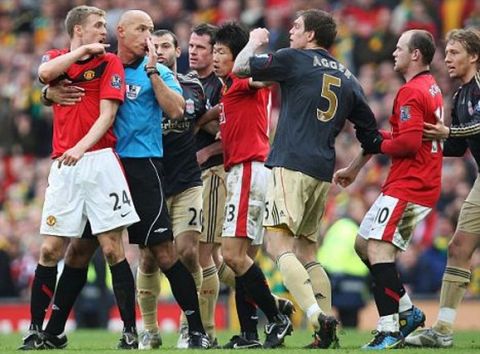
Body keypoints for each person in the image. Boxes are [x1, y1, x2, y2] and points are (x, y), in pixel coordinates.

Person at [27, 10, 210, 350]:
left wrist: (154, 72)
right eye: (143, 29)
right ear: (121, 32)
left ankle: (197, 330)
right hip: (102, 165)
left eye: (153, 30)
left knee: (163, 252)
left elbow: (175, 111)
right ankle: (52, 331)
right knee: (80, 251)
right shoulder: (103, 63)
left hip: (142, 166)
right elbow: (55, 82)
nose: (149, 37)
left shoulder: (158, 72)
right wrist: (47, 95)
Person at [233, 9, 382, 349]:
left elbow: (240, 68)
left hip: (290, 163)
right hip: (321, 171)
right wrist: (354, 168)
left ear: (311, 35)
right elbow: (373, 138)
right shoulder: (348, 77)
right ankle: (324, 332)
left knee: (277, 244)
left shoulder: (294, 59)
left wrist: (254, 42)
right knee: (307, 251)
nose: (291, 31)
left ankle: (316, 316)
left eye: (297, 26)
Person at [18, 5, 139, 350]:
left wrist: (81, 148)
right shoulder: (58, 57)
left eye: (105, 25)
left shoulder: (110, 62)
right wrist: (81, 53)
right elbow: (44, 74)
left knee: (113, 248)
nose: (105, 30)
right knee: (50, 248)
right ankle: (35, 329)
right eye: (98, 25)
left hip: (99, 160)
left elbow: (108, 114)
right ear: (79, 30)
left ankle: (129, 331)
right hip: (65, 166)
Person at [334, 29, 443, 349]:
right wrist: (356, 166)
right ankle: (407, 311)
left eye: (399, 48)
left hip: (412, 183)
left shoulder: (411, 92)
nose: (393, 53)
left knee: (379, 249)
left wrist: (377, 141)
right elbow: (404, 135)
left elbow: (407, 143)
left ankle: (389, 328)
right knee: (363, 243)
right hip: (408, 181)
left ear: (416, 55)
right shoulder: (429, 87)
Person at [213, 22, 293, 349]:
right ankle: (249, 334)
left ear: (236, 55)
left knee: (232, 256)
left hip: (249, 170)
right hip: (245, 171)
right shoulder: (229, 86)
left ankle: (276, 317)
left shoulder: (244, 79)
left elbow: (255, 71)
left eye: (221, 52)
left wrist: (254, 41)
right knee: (242, 261)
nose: (216, 58)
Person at [406, 27, 480, 348]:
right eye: (446, 52)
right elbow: (456, 145)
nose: (446, 58)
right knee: (458, 248)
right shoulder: (460, 94)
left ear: (474, 56)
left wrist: (446, 132)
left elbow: (465, 129)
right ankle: (444, 330)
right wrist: (418, 141)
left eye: (454, 53)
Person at [135, 29, 206, 350]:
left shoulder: (191, 86)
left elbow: (183, 112)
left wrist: (154, 75)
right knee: (149, 258)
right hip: (152, 182)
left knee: (189, 251)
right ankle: (148, 329)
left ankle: (187, 328)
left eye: (165, 46)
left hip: (187, 180)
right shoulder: (136, 85)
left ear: (177, 51)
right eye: (154, 46)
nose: (159, 51)